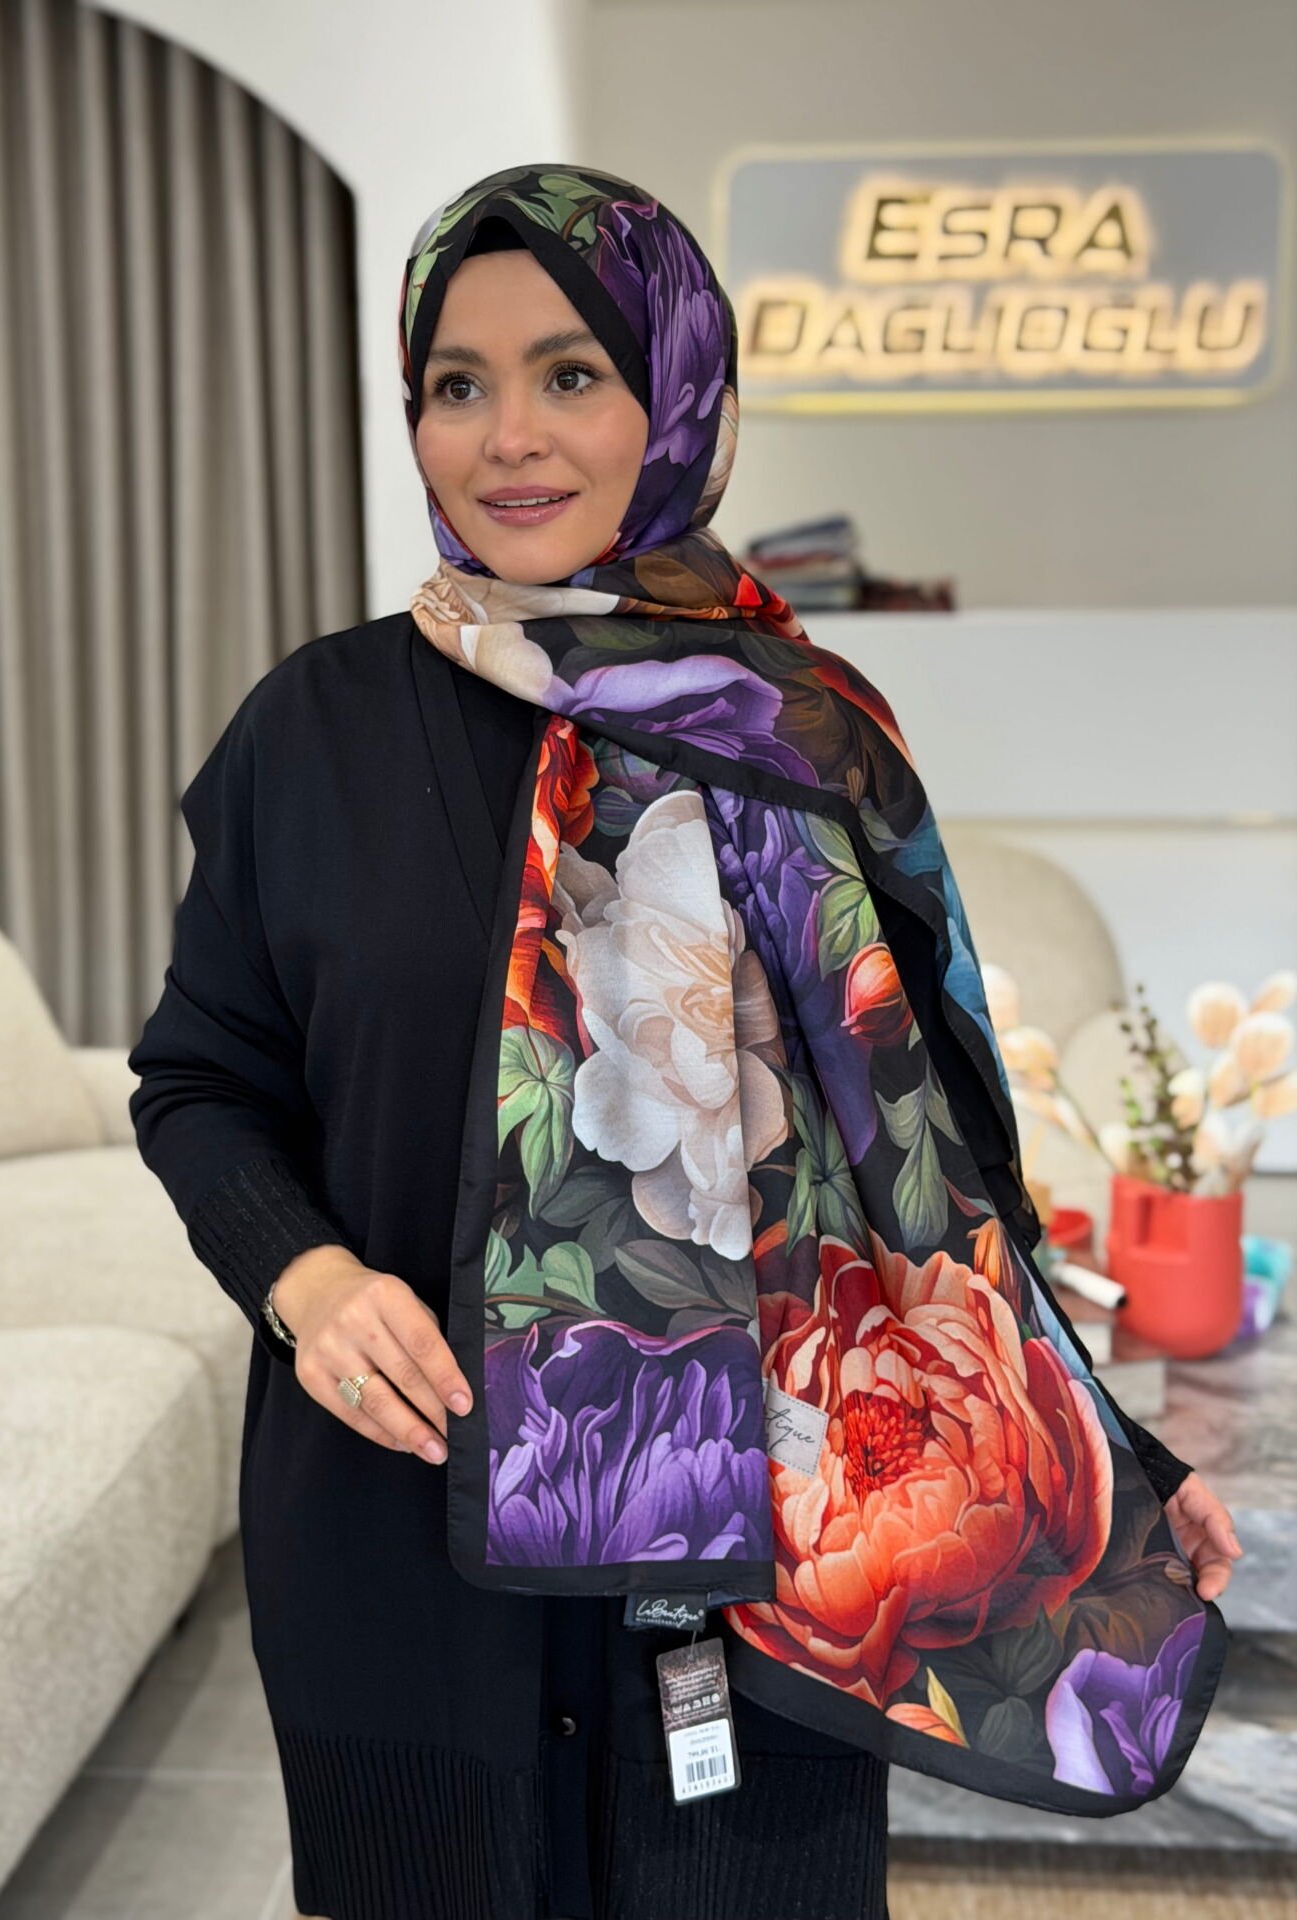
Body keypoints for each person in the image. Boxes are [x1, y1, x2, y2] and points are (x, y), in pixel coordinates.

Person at [128, 163, 1242, 1920]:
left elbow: (941, 1159)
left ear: (678, 398)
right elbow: (199, 1080)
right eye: (456, 383)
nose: (509, 436)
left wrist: (1115, 1454)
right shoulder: (308, 733)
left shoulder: (809, 737)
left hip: (772, 1570)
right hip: (403, 1553)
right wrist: (307, 1280)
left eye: (571, 374)